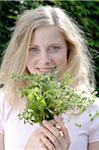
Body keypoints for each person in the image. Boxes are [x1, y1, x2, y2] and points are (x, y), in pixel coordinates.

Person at [0, 5, 99, 150]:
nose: (45, 59)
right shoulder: (5, 102)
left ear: (69, 50)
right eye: (33, 49)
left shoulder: (92, 109)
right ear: (21, 53)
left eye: (55, 48)